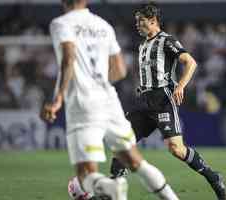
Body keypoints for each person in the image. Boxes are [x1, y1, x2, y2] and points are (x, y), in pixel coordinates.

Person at [41, 0, 179, 200]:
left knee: (85, 174)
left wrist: (57, 98)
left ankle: (112, 188)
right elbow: (120, 70)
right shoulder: (103, 25)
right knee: (136, 162)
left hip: (83, 103)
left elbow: (68, 58)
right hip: (109, 101)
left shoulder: (61, 24)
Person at [110, 2, 226, 200]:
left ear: (153, 21)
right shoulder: (143, 45)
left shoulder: (166, 40)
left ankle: (213, 176)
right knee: (122, 142)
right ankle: (113, 190)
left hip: (163, 99)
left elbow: (190, 62)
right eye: (136, 21)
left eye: (141, 21)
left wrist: (180, 86)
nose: (137, 24)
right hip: (144, 101)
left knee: (176, 149)